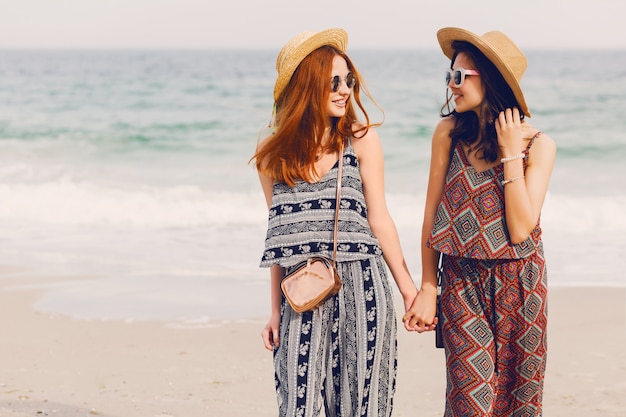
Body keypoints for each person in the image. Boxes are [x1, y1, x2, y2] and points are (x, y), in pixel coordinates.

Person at [251, 28, 426, 417]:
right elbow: (279, 238)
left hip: (363, 287)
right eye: (333, 81)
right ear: (306, 85)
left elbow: (380, 220)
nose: (345, 90)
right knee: (299, 406)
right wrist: (276, 311)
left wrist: (410, 291)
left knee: (363, 407)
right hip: (302, 294)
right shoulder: (270, 158)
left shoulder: (360, 141)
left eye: (348, 80)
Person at [403, 28, 556, 416]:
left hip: (520, 286)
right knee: (468, 404)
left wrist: (508, 153)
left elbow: (521, 228)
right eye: (448, 77)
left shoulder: (538, 145)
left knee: (518, 405)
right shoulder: (449, 134)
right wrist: (427, 284)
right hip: (461, 284)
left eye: (459, 77)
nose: (451, 86)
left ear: (490, 79)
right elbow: (432, 215)